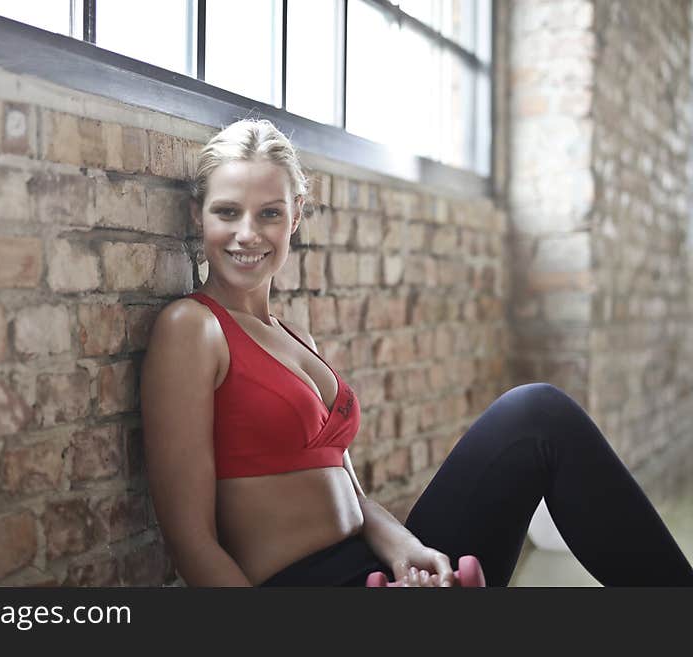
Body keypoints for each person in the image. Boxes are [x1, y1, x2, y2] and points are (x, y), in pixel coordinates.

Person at [139, 118, 693, 587]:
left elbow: (351, 498)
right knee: (536, 414)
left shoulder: (293, 336)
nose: (247, 234)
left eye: (269, 213)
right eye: (227, 212)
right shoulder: (192, 328)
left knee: (540, 422)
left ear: (297, 215)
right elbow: (192, 543)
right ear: (198, 216)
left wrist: (408, 550)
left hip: (376, 568)